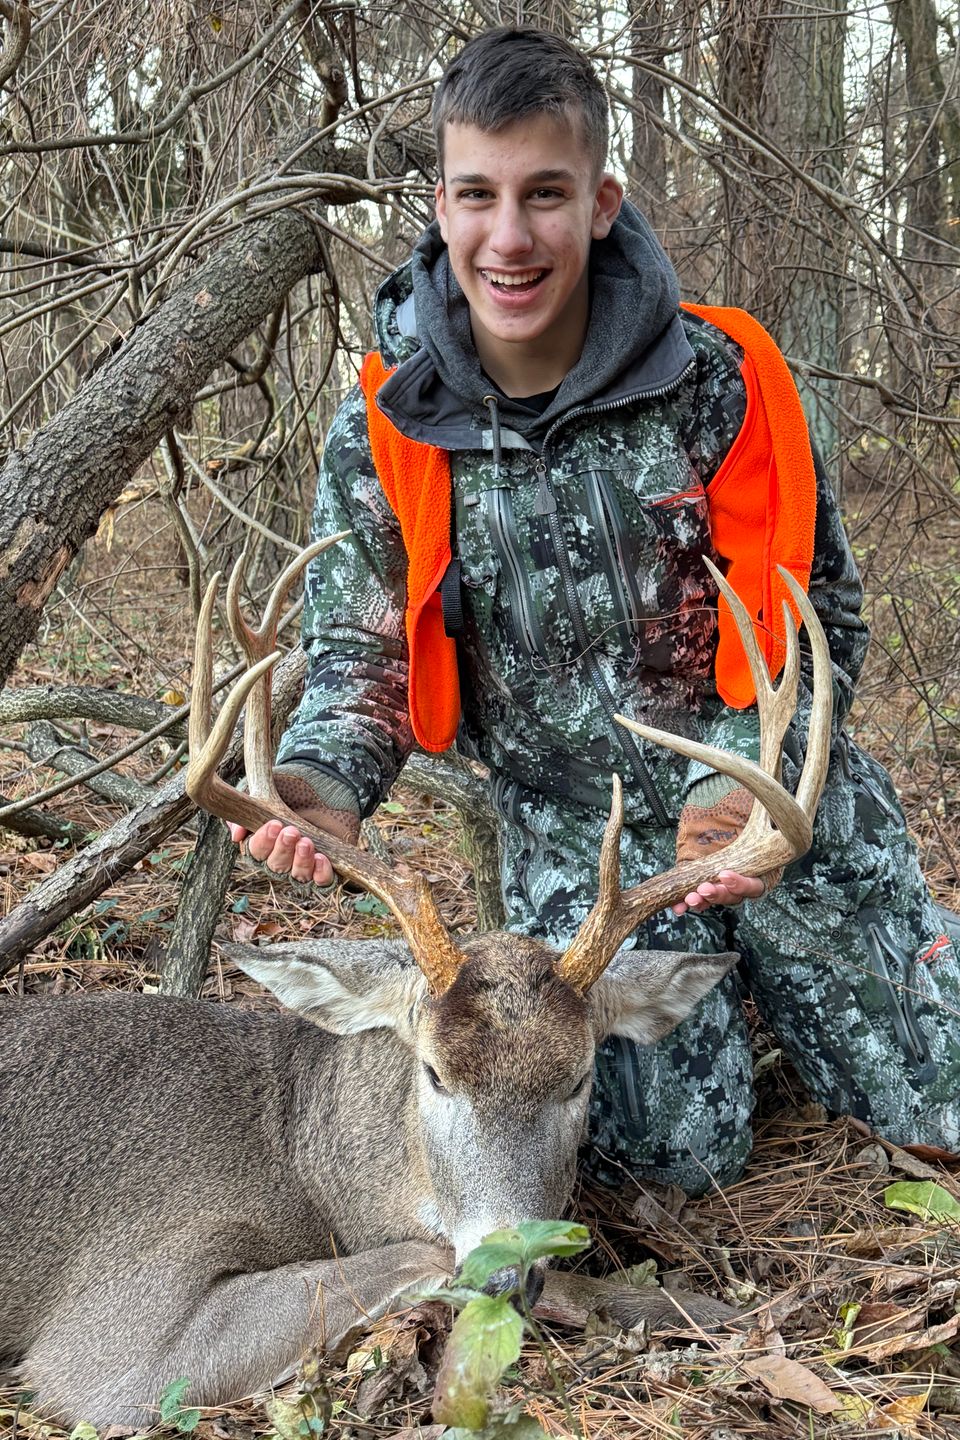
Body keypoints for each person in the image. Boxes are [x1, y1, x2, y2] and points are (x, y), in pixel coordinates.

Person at [230, 27, 960, 1192]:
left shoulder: (720, 379)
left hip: (771, 808)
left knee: (942, 1106)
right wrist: (320, 778)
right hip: (582, 842)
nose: (509, 237)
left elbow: (812, 615)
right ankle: (733, 1020)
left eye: (545, 194)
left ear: (602, 201)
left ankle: (815, 976)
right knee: (664, 1161)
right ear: (441, 205)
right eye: (478, 195)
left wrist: (742, 790)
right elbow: (360, 662)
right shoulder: (384, 426)